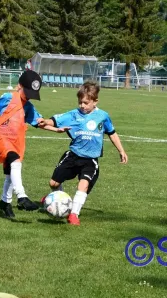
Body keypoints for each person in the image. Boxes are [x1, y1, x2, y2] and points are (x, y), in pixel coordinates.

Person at [0, 70, 69, 218]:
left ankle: (5, 202)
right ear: (20, 86)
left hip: (17, 141)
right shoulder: (8, 97)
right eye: (28, 92)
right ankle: (22, 197)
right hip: (1, 137)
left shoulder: (28, 107)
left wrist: (56, 129)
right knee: (14, 162)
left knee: (10, 173)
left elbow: (39, 123)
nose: (29, 96)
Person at [38, 81, 128, 226]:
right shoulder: (73, 114)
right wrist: (45, 121)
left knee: (83, 185)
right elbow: (54, 120)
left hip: (90, 160)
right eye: (80, 102)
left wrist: (121, 150)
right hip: (73, 156)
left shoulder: (103, 116)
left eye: (86, 103)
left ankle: (73, 214)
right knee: (53, 183)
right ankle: (55, 197)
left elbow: (112, 133)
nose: (82, 106)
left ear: (95, 101)